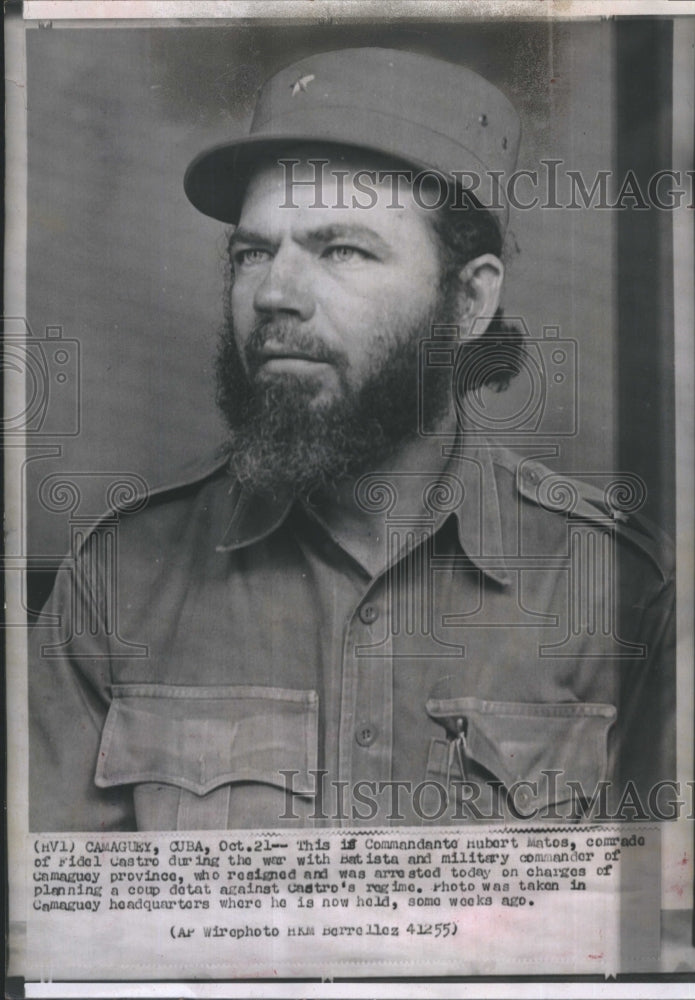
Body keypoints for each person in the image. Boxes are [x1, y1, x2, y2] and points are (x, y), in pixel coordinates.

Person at [29, 47, 674, 832]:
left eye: (341, 250)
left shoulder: (622, 591)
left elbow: (661, 900)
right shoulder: (116, 577)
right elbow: (50, 900)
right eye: (252, 253)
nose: (273, 294)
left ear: (469, 301)